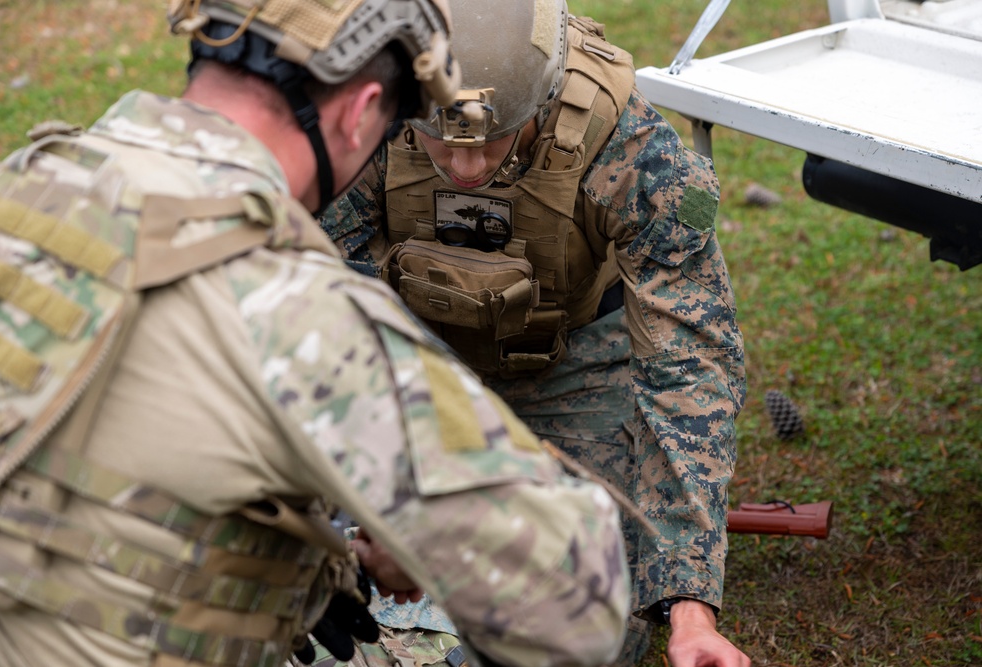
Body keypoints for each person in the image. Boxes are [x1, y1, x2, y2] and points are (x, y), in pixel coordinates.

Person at [0, 2, 631, 666]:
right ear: (360, 112)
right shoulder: (294, 309)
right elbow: (573, 606)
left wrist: (280, 568)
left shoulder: (15, 188)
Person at [315, 0, 750, 665]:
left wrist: (689, 609)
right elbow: (311, 310)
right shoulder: (371, 114)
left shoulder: (625, 144)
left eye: (494, 138)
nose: (467, 168)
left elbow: (688, 367)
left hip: (577, 362)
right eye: (444, 141)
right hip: (419, 360)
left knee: (587, 624)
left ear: (544, 101)